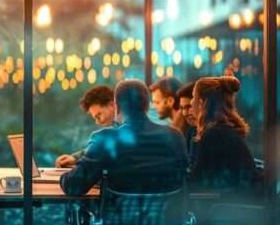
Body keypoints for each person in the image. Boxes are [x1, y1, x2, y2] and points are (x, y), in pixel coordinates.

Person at [60, 80, 189, 196]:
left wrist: (63, 177)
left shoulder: (103, 139)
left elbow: (74, 186)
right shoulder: (175, 137)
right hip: (165, 220)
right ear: (147, 106)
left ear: (116, 106)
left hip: (118, 220)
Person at [187, 76, 257, 195]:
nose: (191, 102)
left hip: (226, 207)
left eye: (194, 97)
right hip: (238, 202)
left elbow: (199, 181)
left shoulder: (213, 135)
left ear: (201, 102)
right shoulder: (222, 131)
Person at [55, 85, 117, 168]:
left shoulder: (127, 129)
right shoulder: (115, 129)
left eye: (99, 115)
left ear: (111, 105)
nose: (97, 122)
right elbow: (99, 148)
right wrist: (74, 158)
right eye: (95, 118)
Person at [176, 82, 198, 162]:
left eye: (189, 107)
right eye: (182, 108)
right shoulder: (191, 131)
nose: (184, 113)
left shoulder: (218, 134)